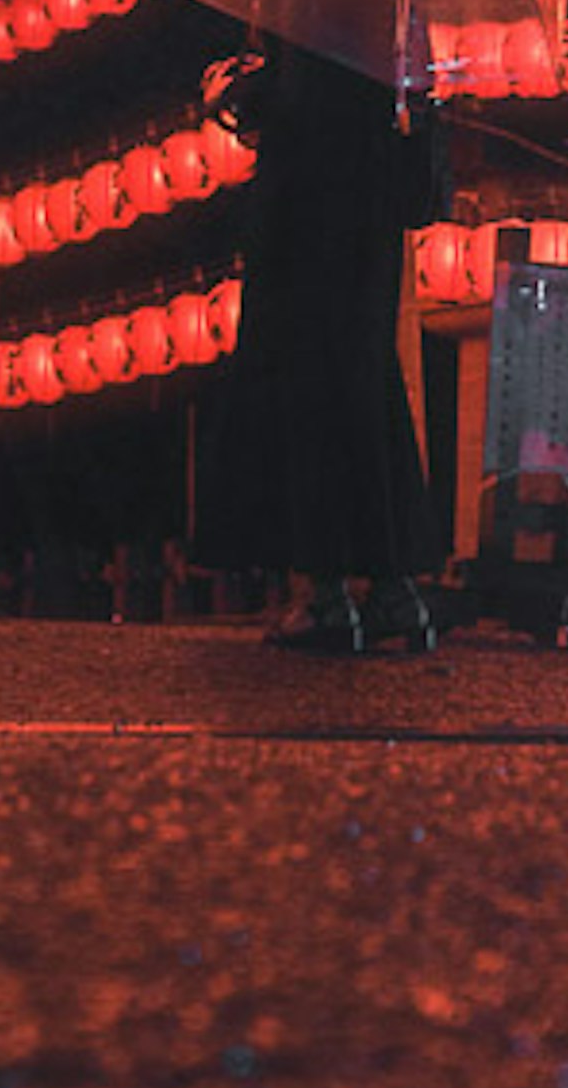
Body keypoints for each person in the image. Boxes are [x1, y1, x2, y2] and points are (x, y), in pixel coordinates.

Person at [190, 37, 448, 649]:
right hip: (372, 212)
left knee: (309, 393)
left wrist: (245, 95)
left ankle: (327, 594)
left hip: (306, 218)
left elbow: (302, 105)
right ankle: (393, 592)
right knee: (363, 389)